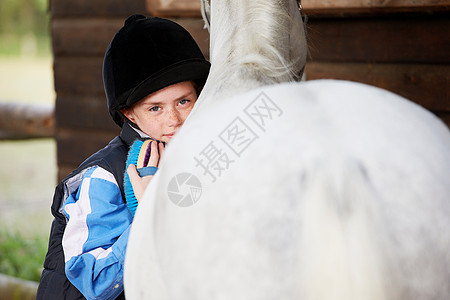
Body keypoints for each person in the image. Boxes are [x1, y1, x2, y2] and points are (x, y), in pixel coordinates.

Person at [36, 14, 210, 299]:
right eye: (155, 108)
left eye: (183, 101)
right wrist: (148, 211)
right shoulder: (102, 177)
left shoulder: (188, 157)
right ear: (129, 114)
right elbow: (98, 283)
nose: (174, 119)